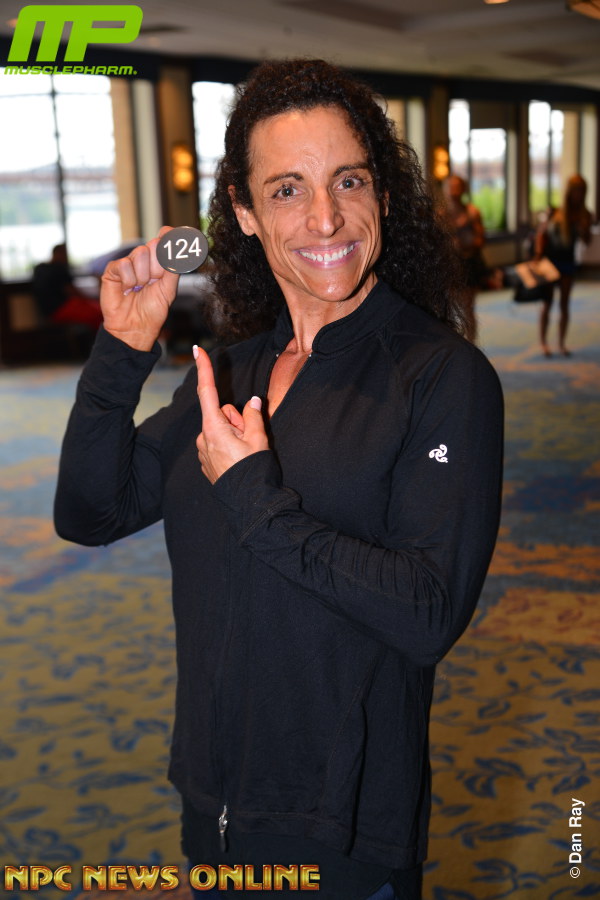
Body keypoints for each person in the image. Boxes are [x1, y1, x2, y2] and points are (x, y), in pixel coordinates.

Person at [55, 59, 504, 900]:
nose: (325, 217)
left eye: (349, 180)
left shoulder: (441, 377)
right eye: (288, 189)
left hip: (341, 837)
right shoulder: (229, 373)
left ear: (382, 195)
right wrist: (120, 354)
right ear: (245, 212)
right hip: (214, 811)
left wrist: (254, 499)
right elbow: (91, 512)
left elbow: (428, 613)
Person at [534, 174, 593, 357]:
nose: (578, 194)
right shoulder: (554, 212)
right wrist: (537, 256)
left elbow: (587, 240)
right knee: (547, 303)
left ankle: (561, 343)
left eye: (581, 190)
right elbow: (541, 234)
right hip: (550, 262)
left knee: (564, 304)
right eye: (575, 190)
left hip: (568, 262)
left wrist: (583, 229)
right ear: (569, 191)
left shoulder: (585, 215)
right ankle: (543, 343)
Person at [442, 175, 486, 343]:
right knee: (447, 309)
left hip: (468, 263)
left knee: (467, 308)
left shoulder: (472, 212)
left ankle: (471, 345)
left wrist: (466, 244)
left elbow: (481, 240)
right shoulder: (440, 214)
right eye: (450, 187)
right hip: (448, 265)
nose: (453, 192)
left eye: (456, 187)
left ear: (463, 190)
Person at [32, 243, 103, 331]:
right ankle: (102, 338)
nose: (66, 257)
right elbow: (71, 291)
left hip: (46, 311)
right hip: (60, 309)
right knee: (98, 314)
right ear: (59, 253)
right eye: (65, 254)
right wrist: (90, 298)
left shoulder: (39, 268)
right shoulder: (58, 268)